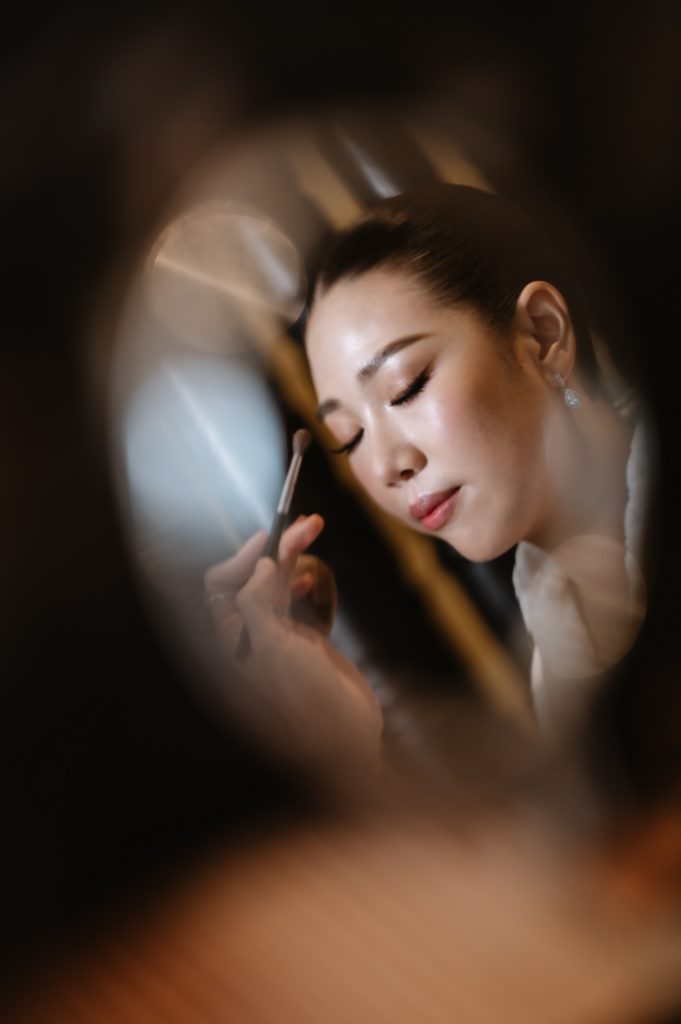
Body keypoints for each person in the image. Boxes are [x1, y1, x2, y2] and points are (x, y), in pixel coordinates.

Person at [204, 183, 648, 770]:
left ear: (543, 335)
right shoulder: (560, 633)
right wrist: (345, 739)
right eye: (349, 438)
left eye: (406, 387)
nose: (386, 465)